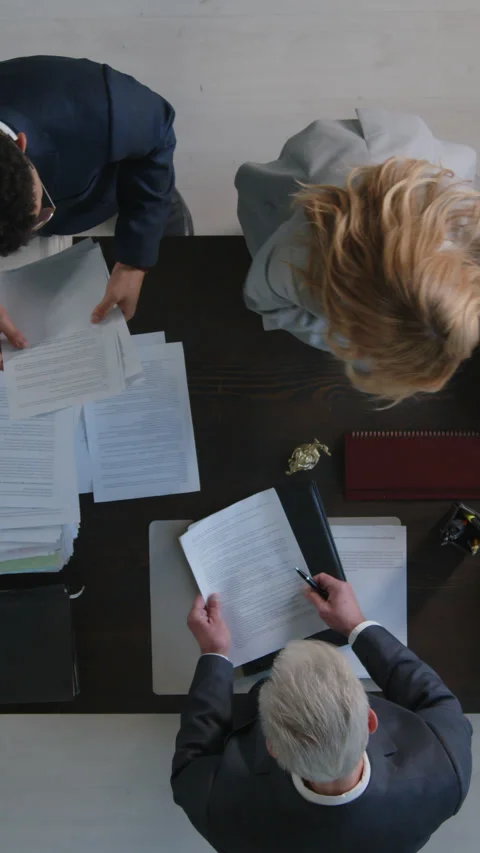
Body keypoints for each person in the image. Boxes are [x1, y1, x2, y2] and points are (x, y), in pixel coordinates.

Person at [171, 574, 472, 853]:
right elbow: (435, 699)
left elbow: (194, 757)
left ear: (272, 746)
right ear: (369, 720)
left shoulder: (219, 807)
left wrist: (214, 653)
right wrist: (357, 626)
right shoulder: (446, 772)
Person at [235, 109, 480, 403]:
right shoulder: (297, 261)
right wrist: (331, 338)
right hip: (318, 166)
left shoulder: (466, 220)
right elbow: (266, 302)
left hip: (410, 158)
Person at [0, 54, 191, 352]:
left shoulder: (103, 106)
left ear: (20, 145)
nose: (40, 228)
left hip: (112, 186)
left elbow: (158, 136)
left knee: (174, 254)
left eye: (40, 211)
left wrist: (133, 263)